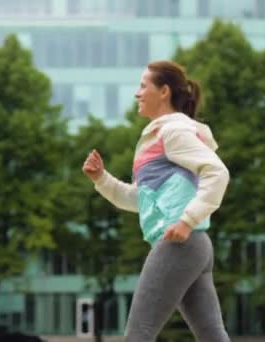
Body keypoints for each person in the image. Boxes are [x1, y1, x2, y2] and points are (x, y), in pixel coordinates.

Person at [82, 60, 231, 341]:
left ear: (164, 92)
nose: (137, 94)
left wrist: (187, 221)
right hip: (193, 245)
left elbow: (217, 172)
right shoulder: (157, 137)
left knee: (139, 333)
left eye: (142, 86)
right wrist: (101, 179)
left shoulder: (173, 132)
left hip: (179, 242)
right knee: (212, 335)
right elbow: (138, 199)